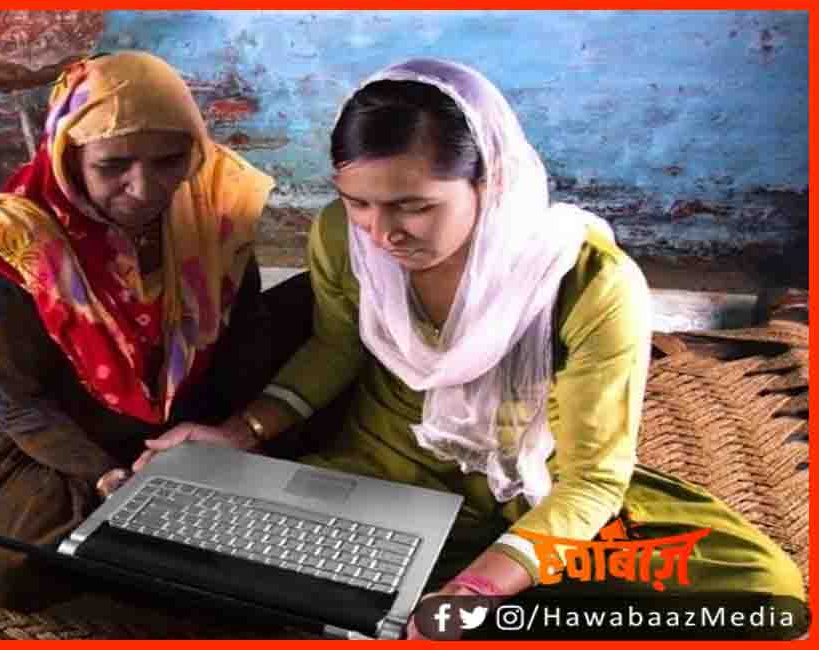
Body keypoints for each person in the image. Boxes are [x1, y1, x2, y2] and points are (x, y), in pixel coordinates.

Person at [135, 58, 805, 638]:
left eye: (414, 206)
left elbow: (595, 479)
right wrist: (241, 434)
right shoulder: (344, 237)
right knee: (182, 553)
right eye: (359, 203)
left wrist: (476, 593)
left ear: (494, 183)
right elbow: (336, 347)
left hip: (533, 483)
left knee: (764, 598)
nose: (380, 233)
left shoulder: (587, 283)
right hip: (383, 470)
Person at [0, 51, 284, 611]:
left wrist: (235, 429)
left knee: (313, 317)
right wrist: (110, 478)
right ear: (70, 156)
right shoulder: (9, 250)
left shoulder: (206, 204)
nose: (147, 189)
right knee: (5, 564)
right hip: (61, 426)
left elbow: (240, 319)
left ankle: (172, 515)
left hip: (180, 401)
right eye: (114, 166)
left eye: (169, 160)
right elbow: (11, 398)